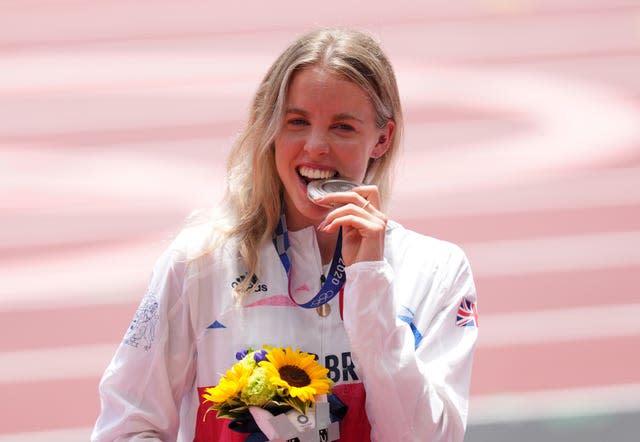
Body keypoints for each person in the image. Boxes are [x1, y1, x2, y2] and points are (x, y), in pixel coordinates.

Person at [91, 28, 478, 442]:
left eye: (343, 127)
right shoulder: (199, 261)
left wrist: (369, 282)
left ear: (383, 137)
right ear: (270, 127)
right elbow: (126, 427)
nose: (315, 146)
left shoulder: (436, 271)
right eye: (297, 122)